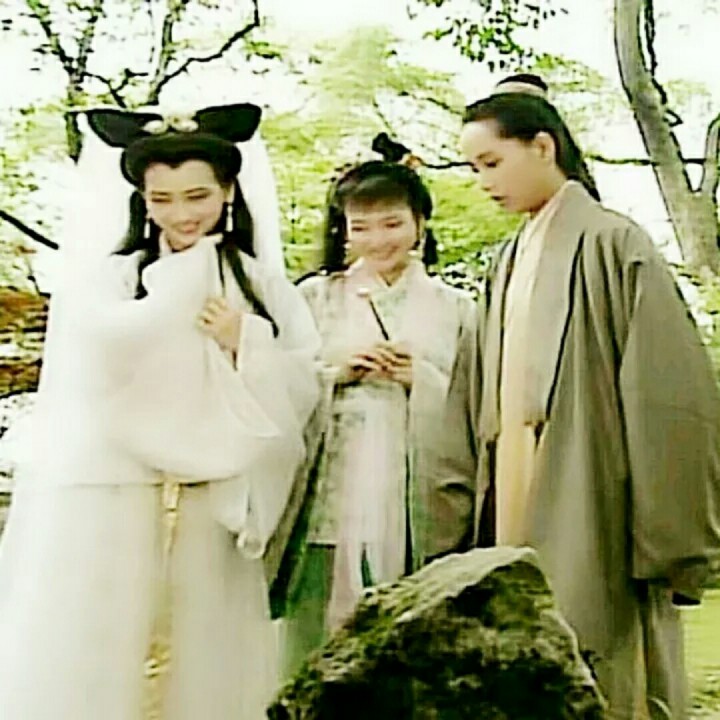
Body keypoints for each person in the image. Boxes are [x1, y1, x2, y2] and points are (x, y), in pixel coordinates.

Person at [0, 102, 320, 720]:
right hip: (117, 494)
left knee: (205, 644)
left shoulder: (259, 285)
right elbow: (86, 379)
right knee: (104, 637)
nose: (181, 214)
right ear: (143, 203)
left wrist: (247, 342)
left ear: (229, 192)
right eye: (163, 199)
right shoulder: (112, 282)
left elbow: (305, 379)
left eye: (198, 196)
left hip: (211, 498)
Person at [452, 73, 720, 718]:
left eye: (492, 162)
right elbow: (470, 394)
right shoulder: (506, 260)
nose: (484, 181)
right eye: (475, 168)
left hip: (592, 486)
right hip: (509, 480)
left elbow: (667, 396)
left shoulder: (613, 241)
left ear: (543, 147)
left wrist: (670, 535)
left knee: (600, 655)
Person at [281, 142, 478, 678]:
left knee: (411, 643)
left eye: (392, 224)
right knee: (311, 637)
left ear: (420, 223)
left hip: (414, 492)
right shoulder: (314, 298)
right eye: (361, 227)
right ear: (343, 230)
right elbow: (279, 384)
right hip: (331, 490)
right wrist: (337, 372)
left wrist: (422, 380)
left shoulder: (458, 309)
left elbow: (475, 404)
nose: (378, 240)